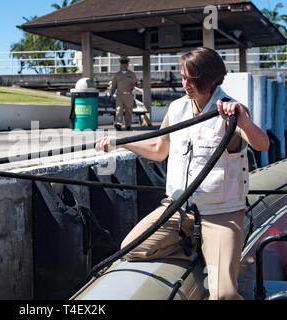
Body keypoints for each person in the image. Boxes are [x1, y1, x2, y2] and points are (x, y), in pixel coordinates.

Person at [95, 47, 269, 300]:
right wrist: (120, 142)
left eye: (191, 78)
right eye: (183, 77)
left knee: (224, 295)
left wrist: (242, 120)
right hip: (178, 208)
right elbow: (158, 149)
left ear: (209, 77)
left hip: (220, 213)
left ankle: (215, 248)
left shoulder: (231, 110)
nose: (185, 84)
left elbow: (262, 144)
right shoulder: (177, 109)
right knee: (132, 248)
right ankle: (199, 249)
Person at [110, 56, 138, 131]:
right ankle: (118, 124)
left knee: (129, 110)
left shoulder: (132, 74)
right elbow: (113, 86)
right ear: (120, 64)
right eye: (123, 63)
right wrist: (111, 94)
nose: (124, 65)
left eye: (126, 63)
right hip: (119, 95)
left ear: (127, 64)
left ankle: (128, 125)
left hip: (129, 94)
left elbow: (135, 83)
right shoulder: (117, 74)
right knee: (119, 109)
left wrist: (132, 87)